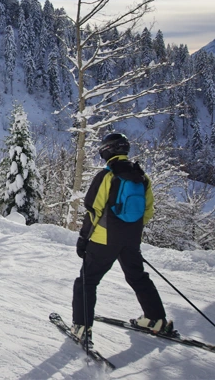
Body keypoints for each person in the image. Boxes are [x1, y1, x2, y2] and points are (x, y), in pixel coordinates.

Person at [71, 133, 171, 348]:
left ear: (107, 151)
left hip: (104, 240)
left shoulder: (107, 176)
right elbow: (148, 211)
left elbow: (93, 210)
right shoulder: (142, 177)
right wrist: (131, 232)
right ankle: (156, 319)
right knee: (138, 277)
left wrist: (83, 238)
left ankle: (81, 326)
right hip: (131, 240)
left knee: (87, 281)